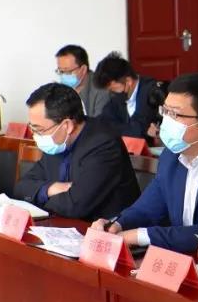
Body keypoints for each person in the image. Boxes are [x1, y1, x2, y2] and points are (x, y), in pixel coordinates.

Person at [89, 73, 198, 253]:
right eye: (165, 111)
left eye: (174, 114)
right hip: (181, 257)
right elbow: (147, 207)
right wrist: (116, 224)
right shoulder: (172, 154)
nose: (165, 120)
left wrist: (139, 236)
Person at [13, 83, 140, 219]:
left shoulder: (103, 144)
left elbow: (74, 207)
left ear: (67, 125)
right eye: (32, 129)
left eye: (39, 130)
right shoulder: (58, 142)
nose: (35, 135)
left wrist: (38, 198)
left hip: (107, 228)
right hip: (65, 224)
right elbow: (21, 188)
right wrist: (50, 189)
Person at [94, 52, 165, 140]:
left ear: (128, 81)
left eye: (113, 89)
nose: (112, 93)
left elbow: (140, 126)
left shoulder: (150, 93)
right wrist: (142, 130)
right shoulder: (117, 98)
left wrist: (135, 130)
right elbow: (104, 124)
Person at [54, 44, 109, 117]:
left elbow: (100, 122)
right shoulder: (60, 90)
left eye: (68, 72)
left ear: (83, 70)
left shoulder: (102, 90)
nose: (63, 76)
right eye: (61, 71)